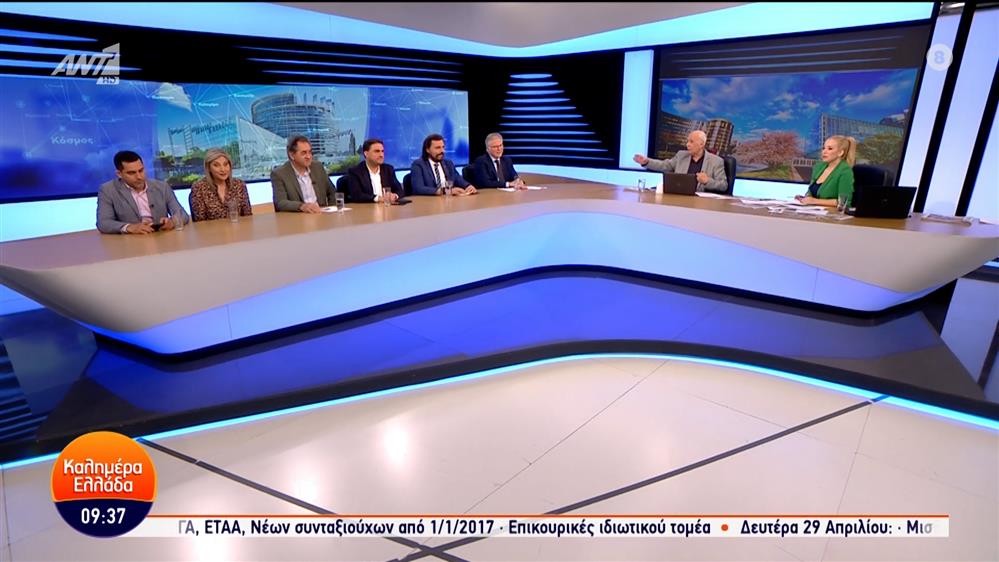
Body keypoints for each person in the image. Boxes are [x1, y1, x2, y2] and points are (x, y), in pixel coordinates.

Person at [96, 150, 188, 234]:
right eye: (132, 173)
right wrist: (129, 227)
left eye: (141, 170)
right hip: (131, 241)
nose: (139, 177)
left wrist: (172, 222)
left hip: (162, 236)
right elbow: (103, 223)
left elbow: (182, 214)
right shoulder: (108, 190)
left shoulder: (162, 187)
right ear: (119, 174)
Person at [632, 130, 727, 192]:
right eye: (687, 141)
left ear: (701, 144)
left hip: (702, 203)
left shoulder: (716, 161)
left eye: (691, 142)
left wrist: (707, 181)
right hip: (679, 198)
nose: (687, 144)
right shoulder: (681, 155)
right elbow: (664, 165)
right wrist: (646, 162)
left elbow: (723, 185)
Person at [271, 135, 336, 213]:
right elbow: (281, 202)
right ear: (292, 155)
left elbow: (332, 192)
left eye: (310, 152)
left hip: (321, 214)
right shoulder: (279, 174)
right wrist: (302, 206)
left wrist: (332, 210)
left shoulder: (318, 167)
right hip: (298, 216)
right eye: (304, 153)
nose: (308, 156)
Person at [189, 148, 252, 221]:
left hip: (238, 227)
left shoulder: (239, 185)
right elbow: (200, 222)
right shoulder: (199, 188)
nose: (223, 169)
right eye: (216, 165)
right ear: (208, 168)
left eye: (225, 164)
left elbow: (248, 217)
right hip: (212, 228)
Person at [796, 135, 856, 207]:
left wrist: (814, 201)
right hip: (813, 211)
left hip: (833, 212)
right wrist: (805, 198)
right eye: (824, 148)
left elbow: (844, 202)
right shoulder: (819, 167)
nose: (824, 152)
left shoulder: (845, 171)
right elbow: (810, 192)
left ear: (840, 153)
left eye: (830, 149)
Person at [410, 133, 477, 196]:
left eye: (443, 147)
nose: (442, 151)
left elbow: (457, 178)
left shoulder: (448, 163)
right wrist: (445, 191)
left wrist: (468, 186)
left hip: (449, 201)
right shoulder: (418, 165)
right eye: (438, 148)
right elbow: (418, 188)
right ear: (427, 150)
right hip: (428, 201)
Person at [346, 138, 404, 203]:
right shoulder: (355, 172)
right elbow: (357, 195)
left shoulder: (388, 169)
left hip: (387, 207)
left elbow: (400, 190)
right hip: (367, 208)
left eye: (382, 151)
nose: (381, 155)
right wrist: (377, 198)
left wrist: (395, 196)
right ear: (366, 154)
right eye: (377, 151)